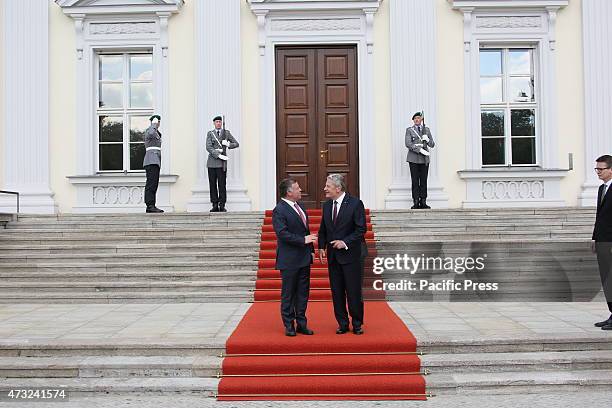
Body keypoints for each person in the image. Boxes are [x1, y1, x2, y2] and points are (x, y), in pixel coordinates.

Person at [318, 174, 367, 335]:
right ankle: (342, 323)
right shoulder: (326, 206)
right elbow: (323, 229)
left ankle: (357, 323)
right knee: (337, 292)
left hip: (352, 255)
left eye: (328, 186)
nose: (325, 188)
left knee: (353, 291)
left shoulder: (355, 204)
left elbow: (361, 230)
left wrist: (344, 242)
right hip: (333, 256)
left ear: (338, 188)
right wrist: (321, 246)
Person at [272, 178, 317, 337]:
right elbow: (282, 233)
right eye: (297, 188)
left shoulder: (300, 207)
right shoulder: (279, 210)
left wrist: (311, 248)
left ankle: (301, 324)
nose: (300, 190)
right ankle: (289, 324)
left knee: (303, 293)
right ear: (289, 192)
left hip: (304, 258)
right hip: (289, 259)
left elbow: (306, 230)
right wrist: (303, 240)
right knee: (289, 294)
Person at [592, 154, 612, 331]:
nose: (597, 172)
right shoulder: (601, 189)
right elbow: (600, 217)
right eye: (596, 169)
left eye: (601, 169)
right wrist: (595, 238)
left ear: (611, 169)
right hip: (602, 241)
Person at [206, 115, 239, 212]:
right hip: (212, 162)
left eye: (220, 122)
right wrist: (218, 155)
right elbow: (208, 147)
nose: (218, 123)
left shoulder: (226, 133)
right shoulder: (210, 134)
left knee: (222, 184)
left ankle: (222, 204)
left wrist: (228, 144)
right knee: (212, 184)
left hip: (222, 164)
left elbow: (236, 144)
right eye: (217, 122)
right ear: (214, 123)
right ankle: (214, 204)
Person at [405, 112, 435, 209]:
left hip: (424, 159)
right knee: (414, 180)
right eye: (415, 118)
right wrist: (420, 150)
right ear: (413, 120)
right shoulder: (409, 130)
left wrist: (427, 140)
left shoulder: (426, 130)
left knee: (423, 180)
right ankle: (416, 201)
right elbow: (408, 144)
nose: (417, 120)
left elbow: (432, 144)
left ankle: (423, 201)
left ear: (421, 120)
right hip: (413, 158)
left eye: (419, 118)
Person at [143, 115, 164, 213]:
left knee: (154, 183)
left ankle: (152, 204)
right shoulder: (149, 130)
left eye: (158, 121)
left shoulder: (156, 132)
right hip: (151, 160)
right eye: (156, 121)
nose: (158, 123)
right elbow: (151, 133)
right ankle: (150, 205)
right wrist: (153, 124)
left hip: (155, 160)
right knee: (151, 183)